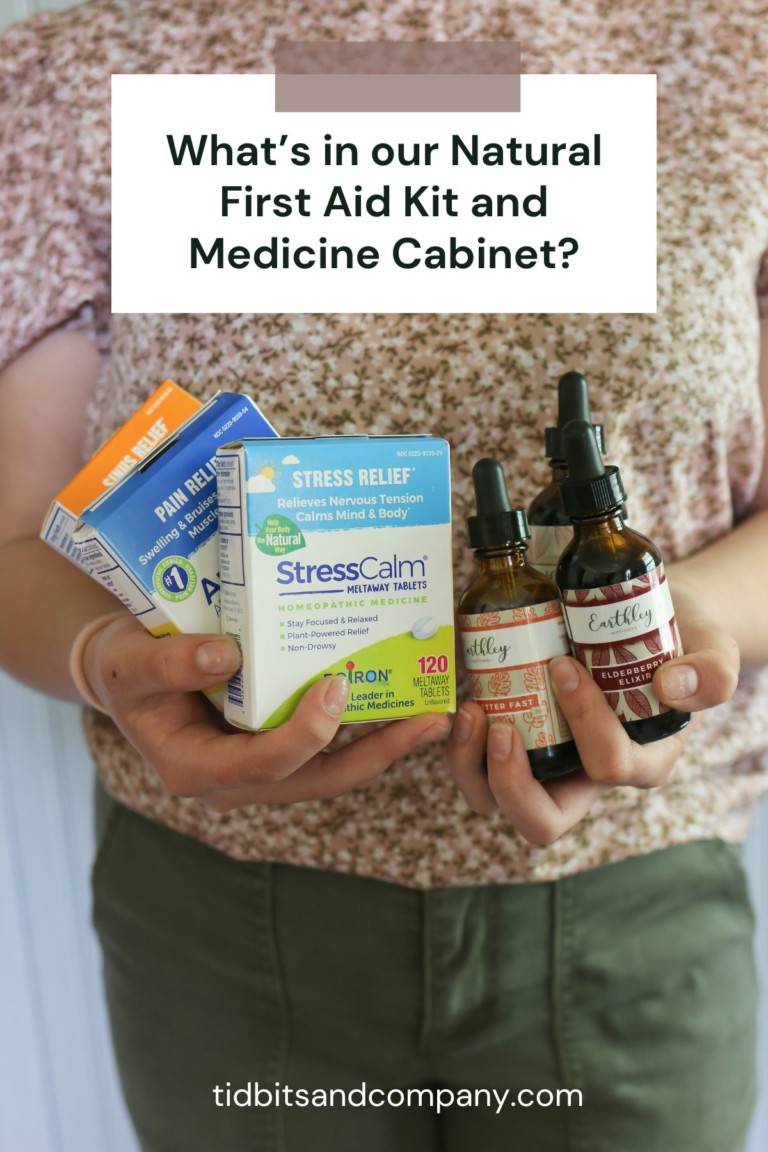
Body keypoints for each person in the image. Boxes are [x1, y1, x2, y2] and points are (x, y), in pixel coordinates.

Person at [1, 1, 767, 1149]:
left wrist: (690, 621)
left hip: (632, 909)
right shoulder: (74, 72)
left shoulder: (736, 51)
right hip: (227, 918)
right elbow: (18, 544)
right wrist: (103, 661)